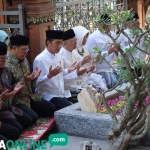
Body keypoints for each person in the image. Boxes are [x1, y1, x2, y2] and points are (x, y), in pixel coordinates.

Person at [5, 35, 55, 127]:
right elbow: (7, 88)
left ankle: (28, 112)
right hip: (16, 101)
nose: (26, 53)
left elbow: (31, 83)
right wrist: (24, 80)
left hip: (29, 97)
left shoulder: (24, 61)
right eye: (24, 50)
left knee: (51, 108)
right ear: (14, 48)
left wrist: (34, 77)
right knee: (31, 119)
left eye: (27, 50)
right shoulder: (6, 64)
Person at [33, 30, 86, 110]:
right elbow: (36, 84)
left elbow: (59, 74)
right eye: (57, 43)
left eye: (61, 43)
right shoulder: (40, 59)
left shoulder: (58, 55)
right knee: (70, 110)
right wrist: (49, 76)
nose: (60, 46)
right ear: (48, 43)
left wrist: (68, 70)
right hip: (48, 95)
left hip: (61, 93)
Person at [86, 14, 119, 89]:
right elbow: (93, 57)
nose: (108, 28)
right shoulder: (92, 38)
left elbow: (118, 54)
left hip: (113, 67)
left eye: (110, 26)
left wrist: (117, 51)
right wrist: (108, 51)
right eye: (106, 26)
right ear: (99, 24)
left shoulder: (113, 35)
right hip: (100, 70)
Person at [59, 29, 97, 93]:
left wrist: (86, 70)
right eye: (73, 41)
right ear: (64, 43)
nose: (76, 43)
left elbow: (77, 69)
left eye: (76, 40)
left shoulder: (73, 52)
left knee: (98, 90)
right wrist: (76, 74)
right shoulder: (60, 55)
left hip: (79, 84)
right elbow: (61, 77)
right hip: (69, 88)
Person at [0, 42, 24, 140]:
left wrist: (16, 87)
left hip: (7, 108)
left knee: (23, 125)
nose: (4, 61)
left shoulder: (5, 70)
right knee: (12, 134)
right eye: (1, 59)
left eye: (5, 58)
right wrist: (1, 97)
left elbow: (9, 87)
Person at [72, 26, 108, 91]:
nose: (85, 39)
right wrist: (83, 62)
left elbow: (89, 63)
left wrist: (92, 63)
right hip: (78, 80)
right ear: (78, 37)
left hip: (88, 76)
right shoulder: (72, 50)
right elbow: (73, 68)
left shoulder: (84, 47)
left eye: (86, 37)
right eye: (84, 37)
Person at [117, 12, 145, 77]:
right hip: (127, 66)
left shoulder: (142, 33)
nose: (137, 23)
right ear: (128, 23)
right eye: (134, 21)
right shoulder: (123, 34)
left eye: (137, 21)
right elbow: (122, 51)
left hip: (139, 65)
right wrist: (134, 44)